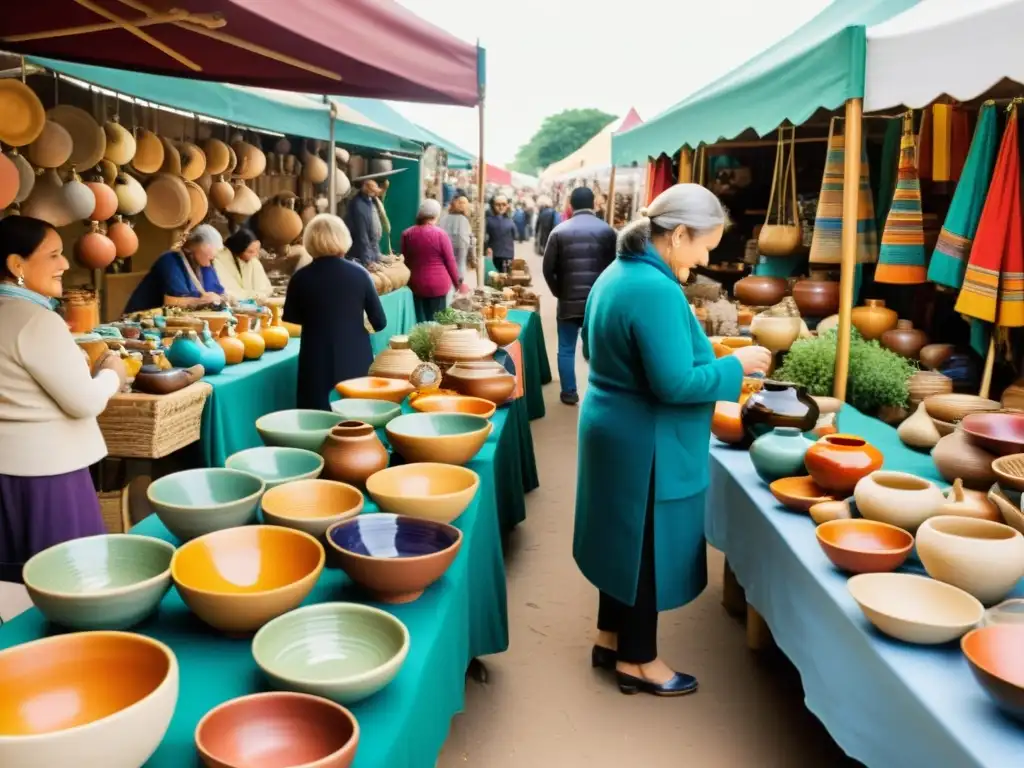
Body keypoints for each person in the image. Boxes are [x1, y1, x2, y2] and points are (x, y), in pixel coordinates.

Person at [573, 184, 771, 697]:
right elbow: (675, 384)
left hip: (611, 426)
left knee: (620, 537)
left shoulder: (617, 274)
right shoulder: (655, 289)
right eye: (704, 246)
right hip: (646, 440)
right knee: (646, 547)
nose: (706, 258)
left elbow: (591, 349)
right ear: (677, 235)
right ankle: (639, 661)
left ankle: (609, 636)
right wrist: (735, 365)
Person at [0, 216, 127, 582]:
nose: (66, 264)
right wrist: (111, 374)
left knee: (14, 588)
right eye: (54, 254)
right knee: (70, 579)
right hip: (47, 476)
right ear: (16, 265)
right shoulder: (35, 321)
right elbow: (84, 402)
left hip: (10, 472)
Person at [283, 214, 387, 411]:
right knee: (355, 420)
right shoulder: (360, 274)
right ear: (343, 238)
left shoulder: (300, 278)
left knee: (315, 421)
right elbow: (380, 321)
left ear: (309, 241)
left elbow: (292, 318)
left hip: (314, 359)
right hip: (354, 356)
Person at [542, 186, 617, 405]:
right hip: (598, 303)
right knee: (598, 347)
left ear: (570, 205)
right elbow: (617, 268)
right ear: (594, 204)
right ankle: (599, 391)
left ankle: (569, 392)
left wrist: (560, 292)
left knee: (565, 348)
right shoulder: (608, 231)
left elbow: (548, 269)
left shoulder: (559, 231)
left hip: (567, 303)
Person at [124, 225, 227, 313]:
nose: (212, 260)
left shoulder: (204, 264)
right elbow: (171, 302)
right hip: (142, 320)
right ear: (198, 246)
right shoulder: (170, 261)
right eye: (211, 254)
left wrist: (223, 298)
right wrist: (201, 301)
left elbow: (217, 293)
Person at [402, 199, 462, 323]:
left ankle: (422, 342)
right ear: (436, 215)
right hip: (438, 287)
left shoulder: (407, 234)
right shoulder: (441, 235)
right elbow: (450, 262)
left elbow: (405, 261)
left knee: (421, 323)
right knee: (437, 323)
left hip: (416, 285)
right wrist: (457, 284)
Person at [213, 228, 272, 301]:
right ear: (239, 249)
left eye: (257, 250)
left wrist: (258, 295)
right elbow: (227, 291)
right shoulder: (220, 260)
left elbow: (265, 289)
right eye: (250, 252)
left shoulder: (253, 261)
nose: (256, 255)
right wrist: (252, 296)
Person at [344, 175, 384, 267]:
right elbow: (362, 236)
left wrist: (377, 255)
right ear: (369, 191)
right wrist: (367, 261)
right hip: (358, 257)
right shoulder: (359, 206)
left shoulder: (369, 202)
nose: (375, 194)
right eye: (374, 192)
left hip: (369, 252)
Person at [439, 193, 474, 282]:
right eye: (460, 202)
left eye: (464, 203)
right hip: (460, 249)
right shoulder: (464, 220)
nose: (462, 205)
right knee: (459, 266)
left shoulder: (444, 218)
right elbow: (470, 240)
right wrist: (472, 255)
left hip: (448, 249)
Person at [485, 195, 517, 272]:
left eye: (503, 204)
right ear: (493, 206)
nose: (501, 207)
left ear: (507, 206)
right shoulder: (510, 221)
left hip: (502, 255)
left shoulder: (488, 220)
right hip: (498, 255)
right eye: (498, 205)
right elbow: (515, 235)